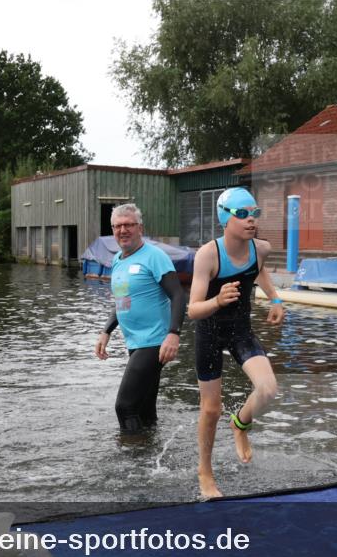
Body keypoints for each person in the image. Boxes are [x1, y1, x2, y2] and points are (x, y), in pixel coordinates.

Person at [188, 187, 285, 498]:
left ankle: (240, 424)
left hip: (240, 331)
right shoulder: (208, 255)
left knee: (268, 389)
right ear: (224, 218)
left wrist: (276, 299)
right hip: (209, 333)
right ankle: (205, 472)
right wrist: (217, 300)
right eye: (242, 214)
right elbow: (192, 309)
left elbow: (260, 272)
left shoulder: (261, 248)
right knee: (211, 409)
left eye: (254, 213)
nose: (251, 219)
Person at [94, 204, 185, 433]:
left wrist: (173, 334)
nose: (123, 230)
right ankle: (150, 457)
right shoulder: (117, 260)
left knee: (124, 407)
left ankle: (132, 460)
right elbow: (122, 300)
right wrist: (106, 330)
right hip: (134, 342)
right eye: (117, 226)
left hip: (154, 342)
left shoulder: (155, 256)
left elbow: (177, 295)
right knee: (144, 409)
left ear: (140, 228)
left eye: (128, 225)